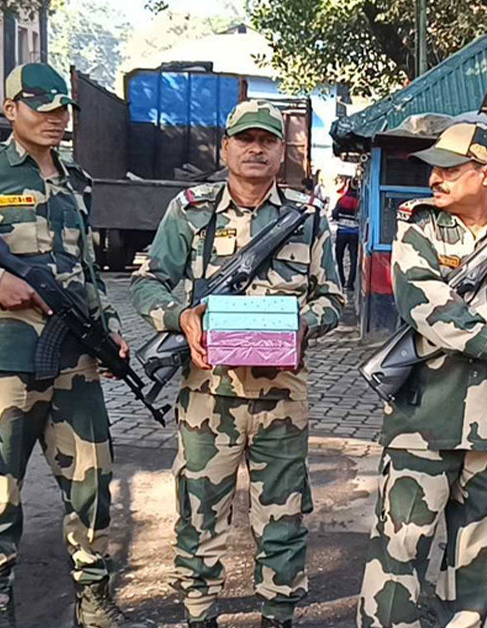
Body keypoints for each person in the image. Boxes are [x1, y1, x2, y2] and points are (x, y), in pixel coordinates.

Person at [0, 63, 143, 628]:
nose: (55, 119)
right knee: (0, 495)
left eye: (62, 109)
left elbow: (89, 273)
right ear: (11, 109)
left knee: (93, 485)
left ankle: (94, 606)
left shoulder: (77, 182)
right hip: (3, 367)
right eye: (41, 108)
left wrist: (110, 329)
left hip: (76, 362)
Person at [130, 99, 345, 628]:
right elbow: (146, 281)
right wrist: (181, 317)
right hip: (207, 397)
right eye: (245, 139)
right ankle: (199, 612)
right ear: (225, 146)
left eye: (267, 140)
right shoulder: (190, 210)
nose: (256, 148)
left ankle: (278, 613)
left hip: (282, 400)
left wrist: (301, 323)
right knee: (199, 510)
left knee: (283, 515)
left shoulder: (307, 218)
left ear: (281, 151)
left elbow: (334, 301)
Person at [356, 122, 487, 628]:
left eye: (450, 168)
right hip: (424, 419)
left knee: (479, 558)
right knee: (402, 548)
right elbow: (427, 304)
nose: (436, 178)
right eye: (434, 168)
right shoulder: (417, 229)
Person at [332, 179, 360, 290]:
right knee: (353, 258)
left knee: (339, 257)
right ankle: (350, 284)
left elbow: (335, 214)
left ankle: (341, 279)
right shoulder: (359, 201)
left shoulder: (342, 200)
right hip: (354, 233)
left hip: (342, 232)